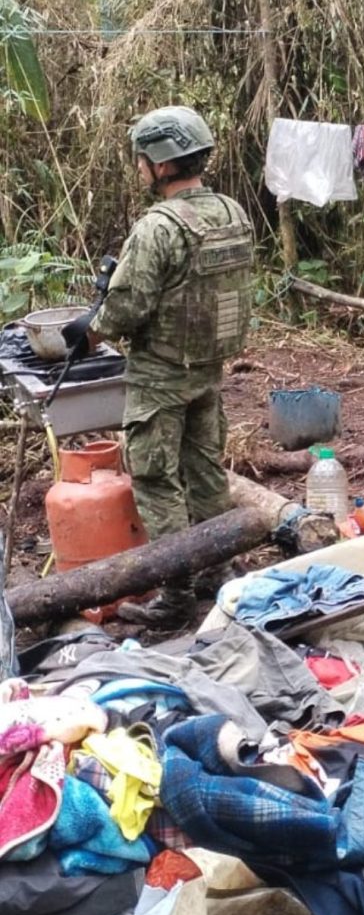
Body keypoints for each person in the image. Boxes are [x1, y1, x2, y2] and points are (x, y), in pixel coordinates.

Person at [89, 105, 254, 623]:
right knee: (205, 473)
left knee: (157, 480)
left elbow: (127, 309)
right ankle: (218, 570)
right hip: (207, 368)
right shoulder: (232, 212)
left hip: (160, 377)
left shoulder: (158, 227)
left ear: (161, 165)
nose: (139, 167)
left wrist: (90, 326)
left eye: (143, 159)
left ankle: (176, 595)